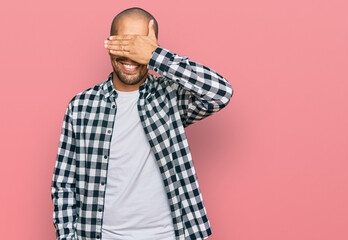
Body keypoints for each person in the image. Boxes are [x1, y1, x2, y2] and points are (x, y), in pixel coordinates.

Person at [51, 7, 233, 240]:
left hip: (167, 235)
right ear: (109, 43)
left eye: (139, 46)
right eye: (125, 43)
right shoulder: (81, 106)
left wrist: (156, 56)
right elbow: (64, 183)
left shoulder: (170, 97)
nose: (131, 55)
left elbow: (221, 93)